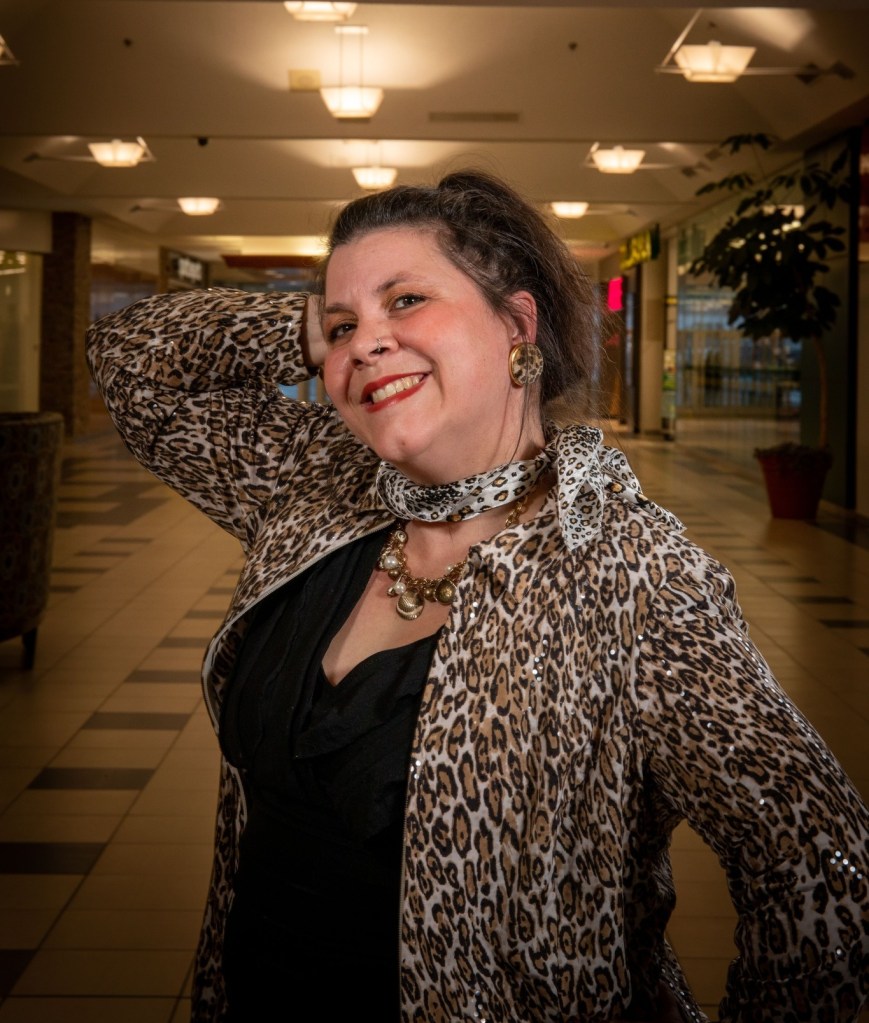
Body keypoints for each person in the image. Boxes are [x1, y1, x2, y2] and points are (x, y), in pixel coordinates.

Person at [86, 170, 869, 1023]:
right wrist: (306, 326)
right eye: (343, 327)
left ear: (517, 326)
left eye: (407, 300)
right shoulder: (315, 484)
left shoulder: (630, 570)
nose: (365, 344)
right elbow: (131, 361)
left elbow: (816, 864)